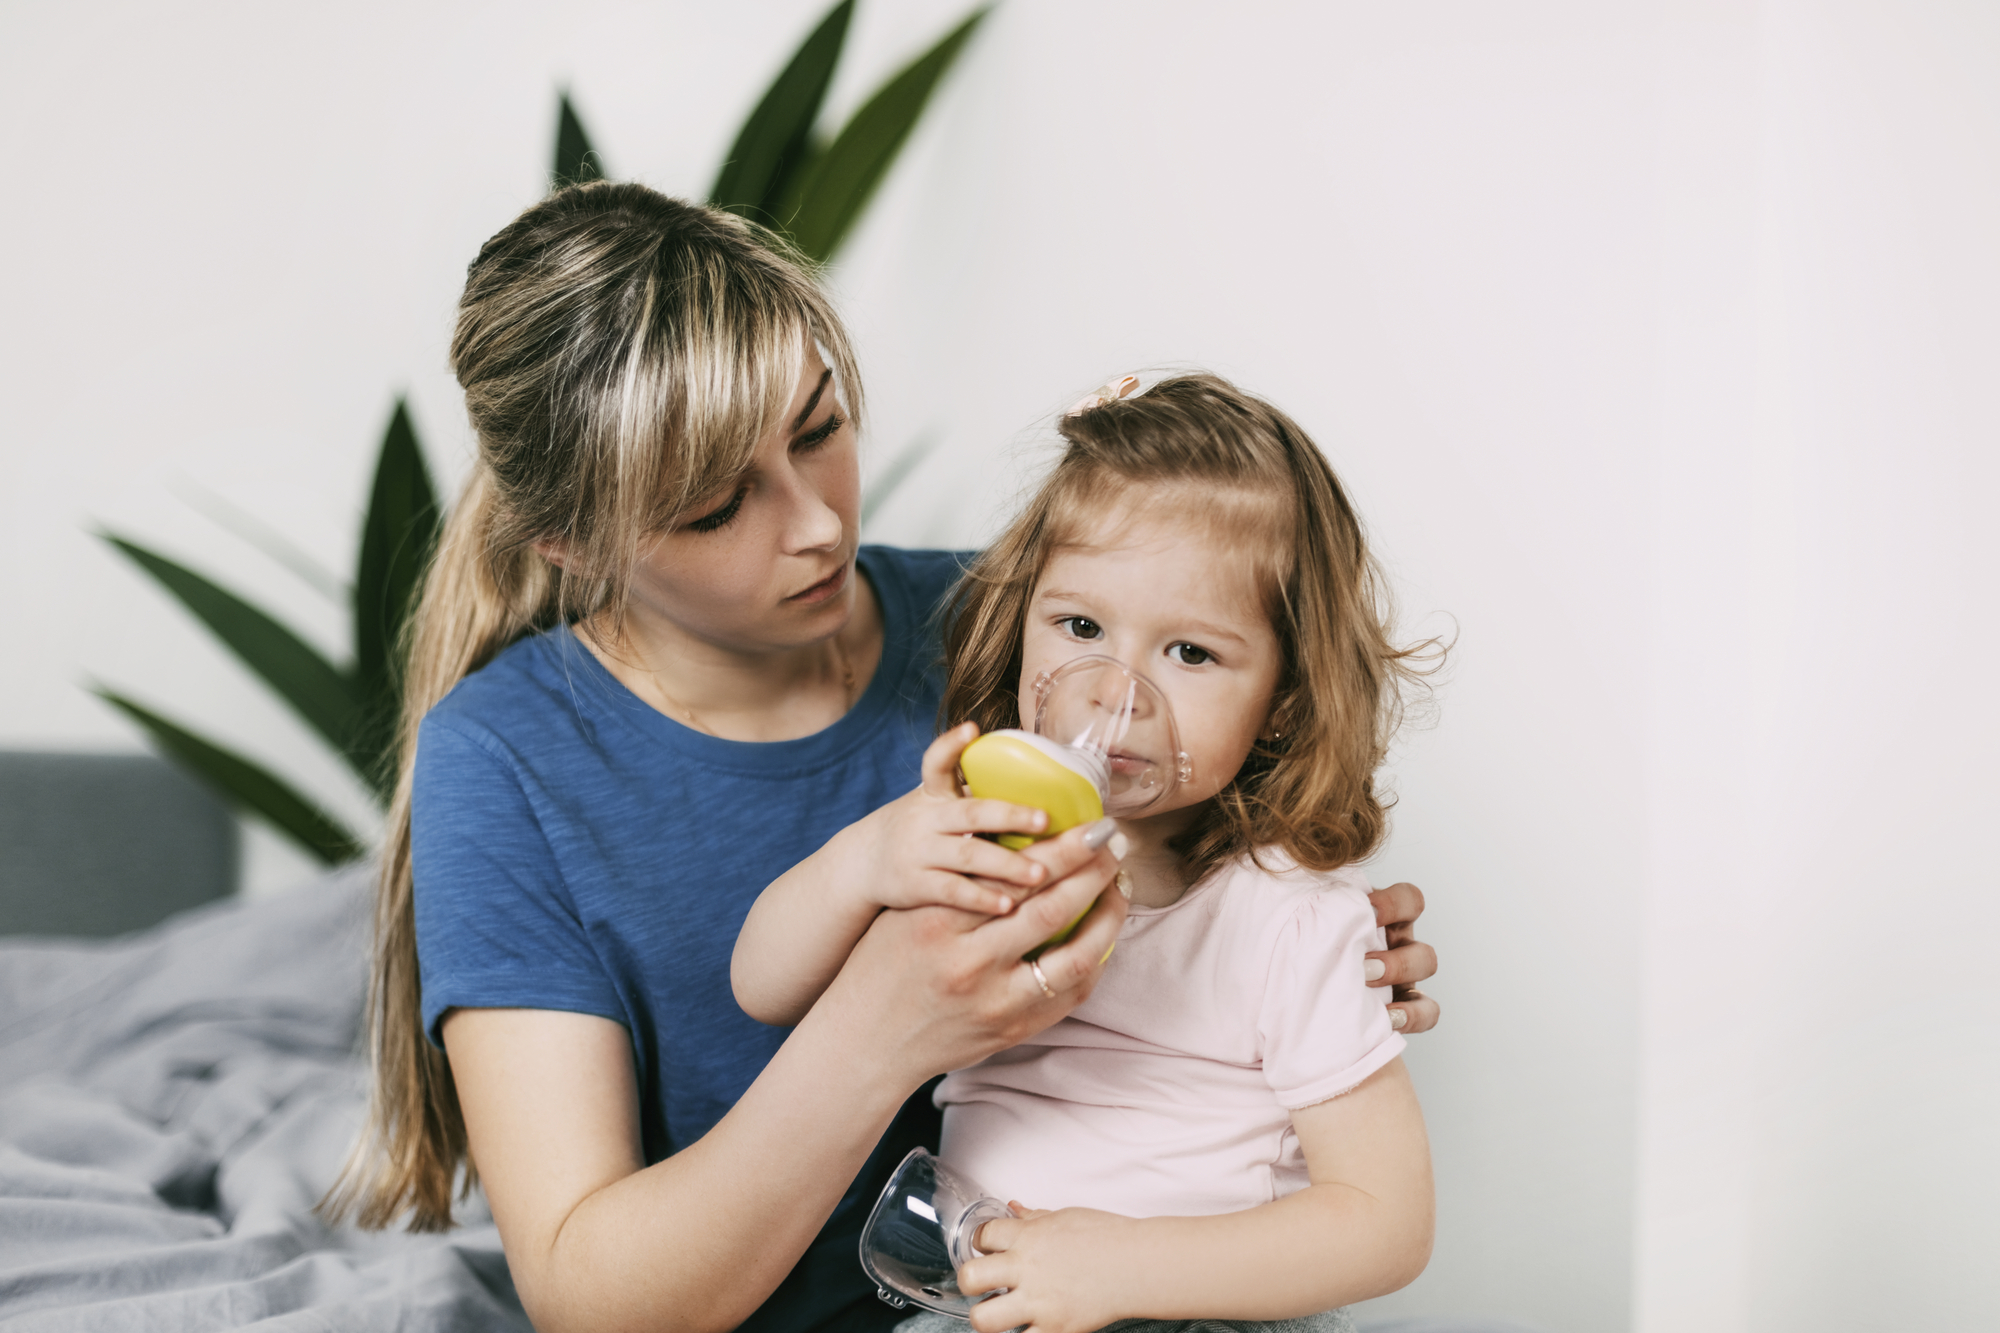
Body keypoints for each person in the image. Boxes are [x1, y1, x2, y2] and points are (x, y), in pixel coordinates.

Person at [323, 182, 1439, 1333]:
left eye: (819, 427)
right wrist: (885, 1014)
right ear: (572, 544)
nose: (814, 523)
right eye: (715, 507)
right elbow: (591, 1297)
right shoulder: (508, 759)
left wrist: (1318, 942)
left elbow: (1227, 838)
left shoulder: (1026, 633)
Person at [735, 373, 1436, 1333]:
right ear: (1019, 620)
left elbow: (1385, 1224)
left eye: (1190, 653)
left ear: (1284, 699)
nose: (1119, 695)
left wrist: (1124, 1267)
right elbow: (761, 983)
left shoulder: (1291, 918)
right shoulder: (985, 844)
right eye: (1080, 627)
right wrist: (871, 859)